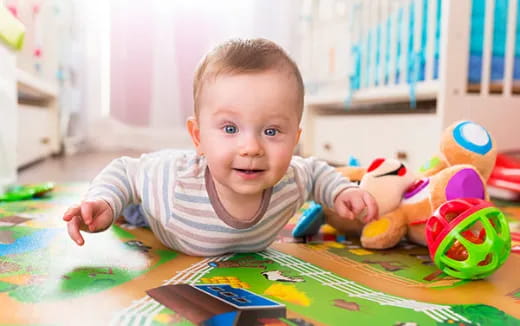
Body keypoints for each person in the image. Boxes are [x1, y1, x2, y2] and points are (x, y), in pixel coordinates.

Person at [63, 38, 378, 256]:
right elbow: (127, 171)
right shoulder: (172, 183)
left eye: (271, 131)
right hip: (166, 215)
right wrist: (104, 201)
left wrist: (340, 193)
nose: (251, 147)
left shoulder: (292, 180)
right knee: (133, 207)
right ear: (198, 137)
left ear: (295, 140)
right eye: (230, 128)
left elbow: (317, 172)